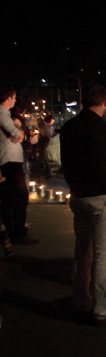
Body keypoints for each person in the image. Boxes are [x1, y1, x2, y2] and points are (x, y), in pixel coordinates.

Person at [61, 84, 106, 325]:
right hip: (100, 198)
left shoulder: (69, 127)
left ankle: (81, 300)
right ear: (104, 103)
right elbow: (103, 163)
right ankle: (102, 308)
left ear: (83, 102)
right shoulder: (98, 127)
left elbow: (66, 161)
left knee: (83, 251)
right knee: (104, 255)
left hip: (78, 196)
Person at [0, 87, 36, 245]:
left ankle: (10, 233)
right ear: (8, 98)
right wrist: (19, 127)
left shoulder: (6, 115)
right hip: (10, 162)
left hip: (11, 161)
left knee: (10, 199)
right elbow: (19, 136)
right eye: (14, 98)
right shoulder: (2, 115)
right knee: (20, 198)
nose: (15, 101)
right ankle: (18, 233)